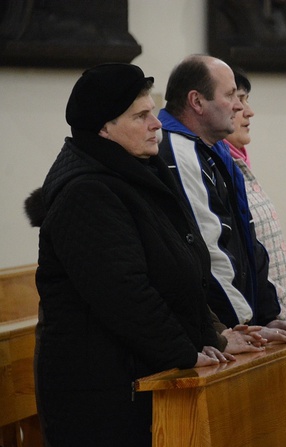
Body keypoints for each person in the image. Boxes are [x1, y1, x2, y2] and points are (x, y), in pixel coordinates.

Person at [22, 63, 228, 447]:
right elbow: (123, 293)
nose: (157, 124)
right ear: (104, 128)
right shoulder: (86, 193)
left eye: (153, 112)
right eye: (141, 116)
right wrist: (183, 351)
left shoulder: (135, 175)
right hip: (102, 397)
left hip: (137, 378)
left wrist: (215, 338)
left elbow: (180, 272)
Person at [157, 54, 286, 342]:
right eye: (231, 95)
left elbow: (246, 242)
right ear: (197, 101)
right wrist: (242, 325)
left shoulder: (215, 151)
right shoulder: (182, 153)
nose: (240, 106)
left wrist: (269, 315)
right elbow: (212, 252)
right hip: (218, 330)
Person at [224, 68, 286, 326]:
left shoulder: (240, 166)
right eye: (239, 100)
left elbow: (272, 248)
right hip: (259, 319)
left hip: (277, 312)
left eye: (247, 99)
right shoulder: (218, 171)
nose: (249, 111)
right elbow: (238, 258)